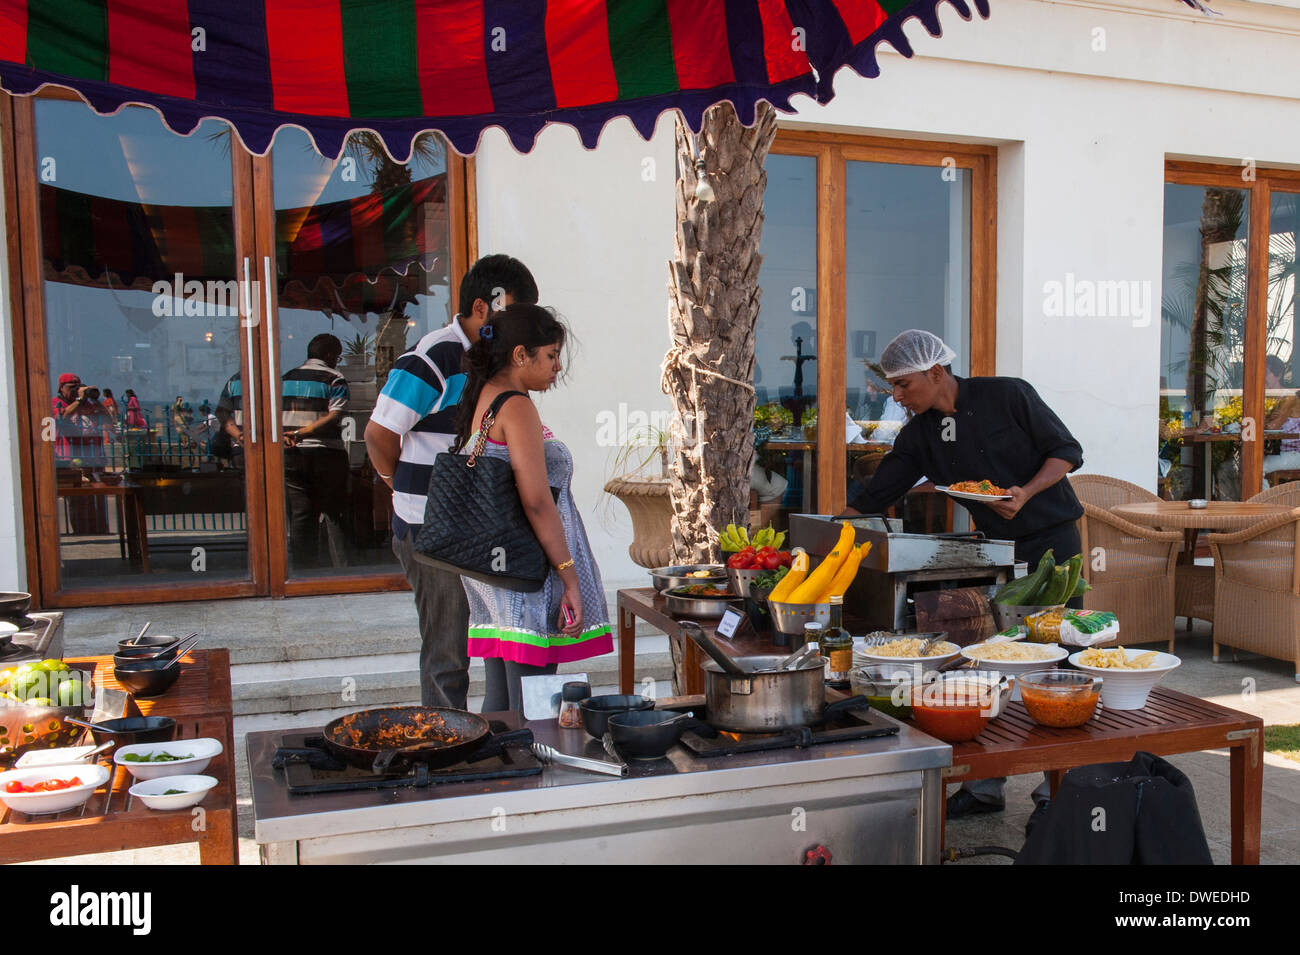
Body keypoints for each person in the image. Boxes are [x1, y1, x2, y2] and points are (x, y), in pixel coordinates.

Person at [843, 329, 1085, 824]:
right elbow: (878, 490)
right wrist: (831, 530)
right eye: (893, 386)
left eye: (904, 384)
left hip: (1050, 540)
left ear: (936, 373)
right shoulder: (920, 433)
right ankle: (984, 785)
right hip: (994, 549)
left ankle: (1057, 794)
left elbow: (1066, 450)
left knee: (1056, 662)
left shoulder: (1008, 394)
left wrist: (1026, 492)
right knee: (984, 662)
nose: (896, 396)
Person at [365, 254, 540, 709]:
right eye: (513, 312)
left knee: (490, 642)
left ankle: (479, 746)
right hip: (430, 529)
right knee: (448, 652)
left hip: (479, 528)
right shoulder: (435, 355)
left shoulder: (494, 361)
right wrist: (399, 485)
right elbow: (379, 433)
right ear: (484, 307)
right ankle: (443, 758)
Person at [450, 303, 613, 712]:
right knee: (534, 702)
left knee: (504, 696)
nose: (557, 366)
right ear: (521, 355)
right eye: (551, 355)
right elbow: (538, 501)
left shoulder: (485, 398)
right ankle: (529, 771)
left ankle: (498, 770)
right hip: (527, 569)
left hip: (497, 566)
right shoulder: (517, 406)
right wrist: (569, 576)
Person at [281, 334, 351, 569]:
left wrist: (290, 435)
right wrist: (303, 432)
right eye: (338, 356)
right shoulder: (335, 378)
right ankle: (343, 566)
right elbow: (335, 415)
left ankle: (304, 567)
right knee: (335, 512)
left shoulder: (286, 379)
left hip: (291, 453)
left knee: (301, 512)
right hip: (326, 452)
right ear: (330, 355)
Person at [1262, 356, 1300, 484]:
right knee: (1230, 467)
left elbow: (1273, 427)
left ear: (1278, 375)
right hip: (1278, 452)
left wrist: (1264, 421)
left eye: (1265, 373)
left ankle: (1264, 503)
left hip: (1294, 454)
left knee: (1254, 468)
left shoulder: (1289, 397)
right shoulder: (1267, 398)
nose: (1261, 378)